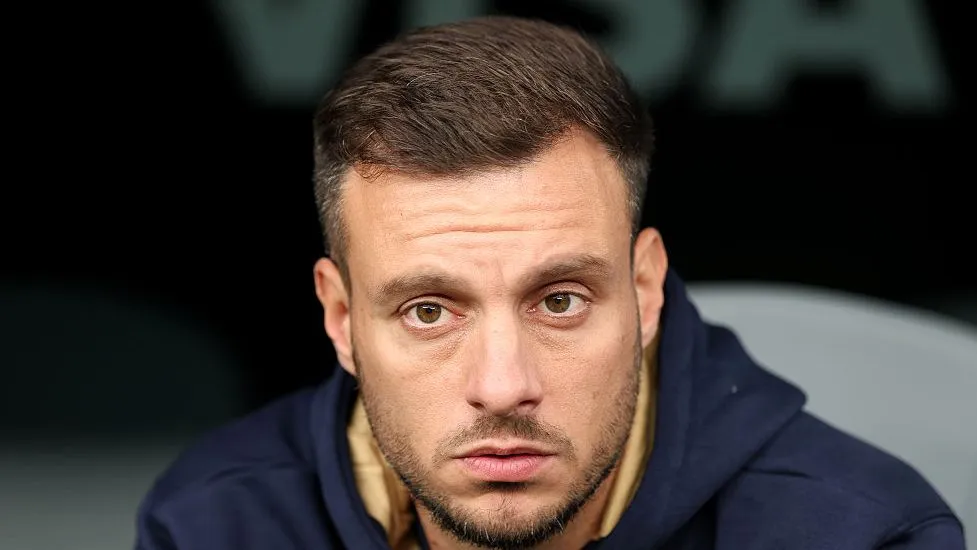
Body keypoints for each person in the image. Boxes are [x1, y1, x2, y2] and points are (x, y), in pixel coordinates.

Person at [134, 16, 965, 550]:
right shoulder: (215, 523)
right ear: (341, 318)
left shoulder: (860, 534)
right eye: (429, 311)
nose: (503, 387)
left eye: (559, 301)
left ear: (645, 292)